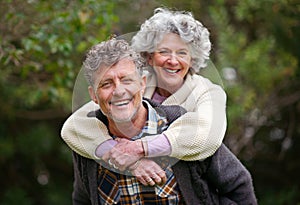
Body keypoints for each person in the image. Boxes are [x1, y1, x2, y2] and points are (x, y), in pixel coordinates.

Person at [72, 38, 257, 204]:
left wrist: (138, 149)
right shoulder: (88, 144)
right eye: (106, 84)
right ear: (93, 95)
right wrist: (132, 162)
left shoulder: (183, 127)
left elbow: (239, 185)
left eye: (126, 80)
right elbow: (82, 199)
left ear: (142, 84)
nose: (119, 91)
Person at [61, 7, 227, 177]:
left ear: (192, 60)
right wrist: (124, 158)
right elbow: (74, 126)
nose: (173, 60)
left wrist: (140, 148)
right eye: (164, 52)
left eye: (182, 53)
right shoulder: (134, 86)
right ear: (149, 57)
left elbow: (207, 135)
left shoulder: (209, 92)